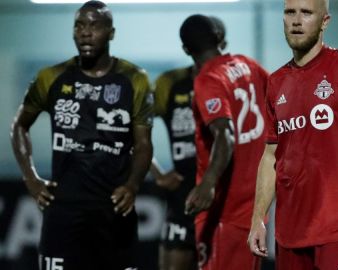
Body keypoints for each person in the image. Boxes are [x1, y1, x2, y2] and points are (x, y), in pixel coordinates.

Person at [247, 0, 338, 269]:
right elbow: (270, 157)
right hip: (289, 231)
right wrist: (259, 218)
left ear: (325, 21)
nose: (296, 20)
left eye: (306, 13)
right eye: (290, 12)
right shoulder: (276, 82)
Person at [10, 1, 153, 269]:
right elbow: (19, 126)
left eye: (95, 25)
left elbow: (144, 144)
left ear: (111, 33)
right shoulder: (51, 77)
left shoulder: (134, 79)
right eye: (79, 25)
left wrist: (133, 185)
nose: (86, 32)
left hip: (113, 209)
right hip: (64, 209)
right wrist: (31, 179)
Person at [179, 14, 269, 270]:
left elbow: (224, 135)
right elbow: (278, 98)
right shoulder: (247, 64)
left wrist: (208, 183)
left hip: (225, 208)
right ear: (219, 38)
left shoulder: (208, 80)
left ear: (186, 50)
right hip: (256, 201)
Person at [150, 16, 227, 270]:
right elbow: (132, 127)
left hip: (226, 193)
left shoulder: (235, 84)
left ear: (222, 43)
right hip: (184, 193)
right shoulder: (169, 84)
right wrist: (157, 173)